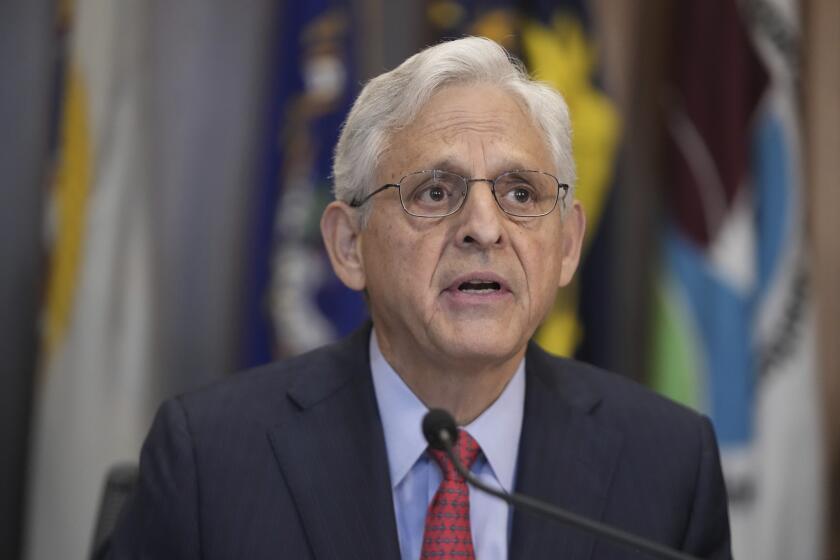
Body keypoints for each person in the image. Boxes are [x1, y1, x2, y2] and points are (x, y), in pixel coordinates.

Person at [108, 37, 731, 559]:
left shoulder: (669, 466)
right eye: (434, 192)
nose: (484, 227)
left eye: (520, 193)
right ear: (349, 245)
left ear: (566, 246)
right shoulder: (209, 460)